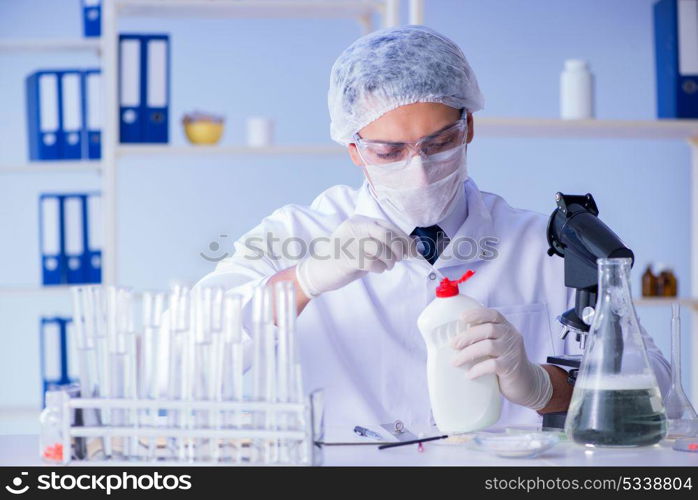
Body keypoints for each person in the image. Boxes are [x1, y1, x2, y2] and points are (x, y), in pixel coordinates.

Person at [194, 25, 670, 434]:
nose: (419, 169)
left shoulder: (543, 244)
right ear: (355, 150)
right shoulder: (296, 231)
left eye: (439, 142)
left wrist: (545, 388)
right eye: (389, 151)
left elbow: (658, 396)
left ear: (468, 128)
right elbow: (190, 362)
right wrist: (300, 282)